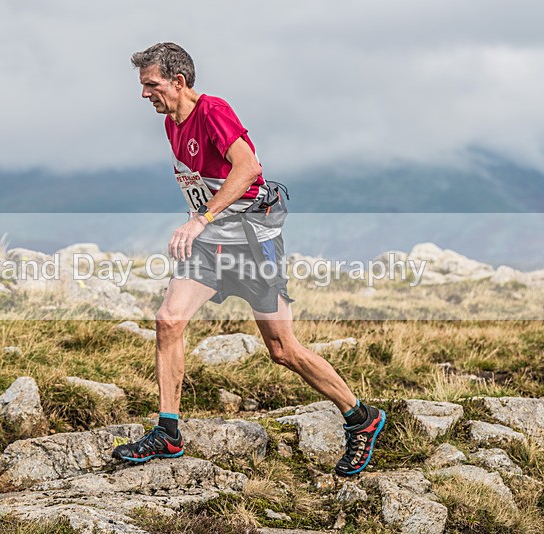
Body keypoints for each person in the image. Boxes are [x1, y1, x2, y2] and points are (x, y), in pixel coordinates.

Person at [112, 42, 385, 476]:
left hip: (252, 245)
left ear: (178, 82)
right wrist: (201, 224)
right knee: (168, 320)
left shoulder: (213, 110)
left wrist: (200, 219)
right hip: (211, 246)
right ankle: (168, 432)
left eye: (151, 85)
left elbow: (249, 168)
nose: (144, 94)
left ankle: (362, 418)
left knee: (282, 349)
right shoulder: (173, 122)